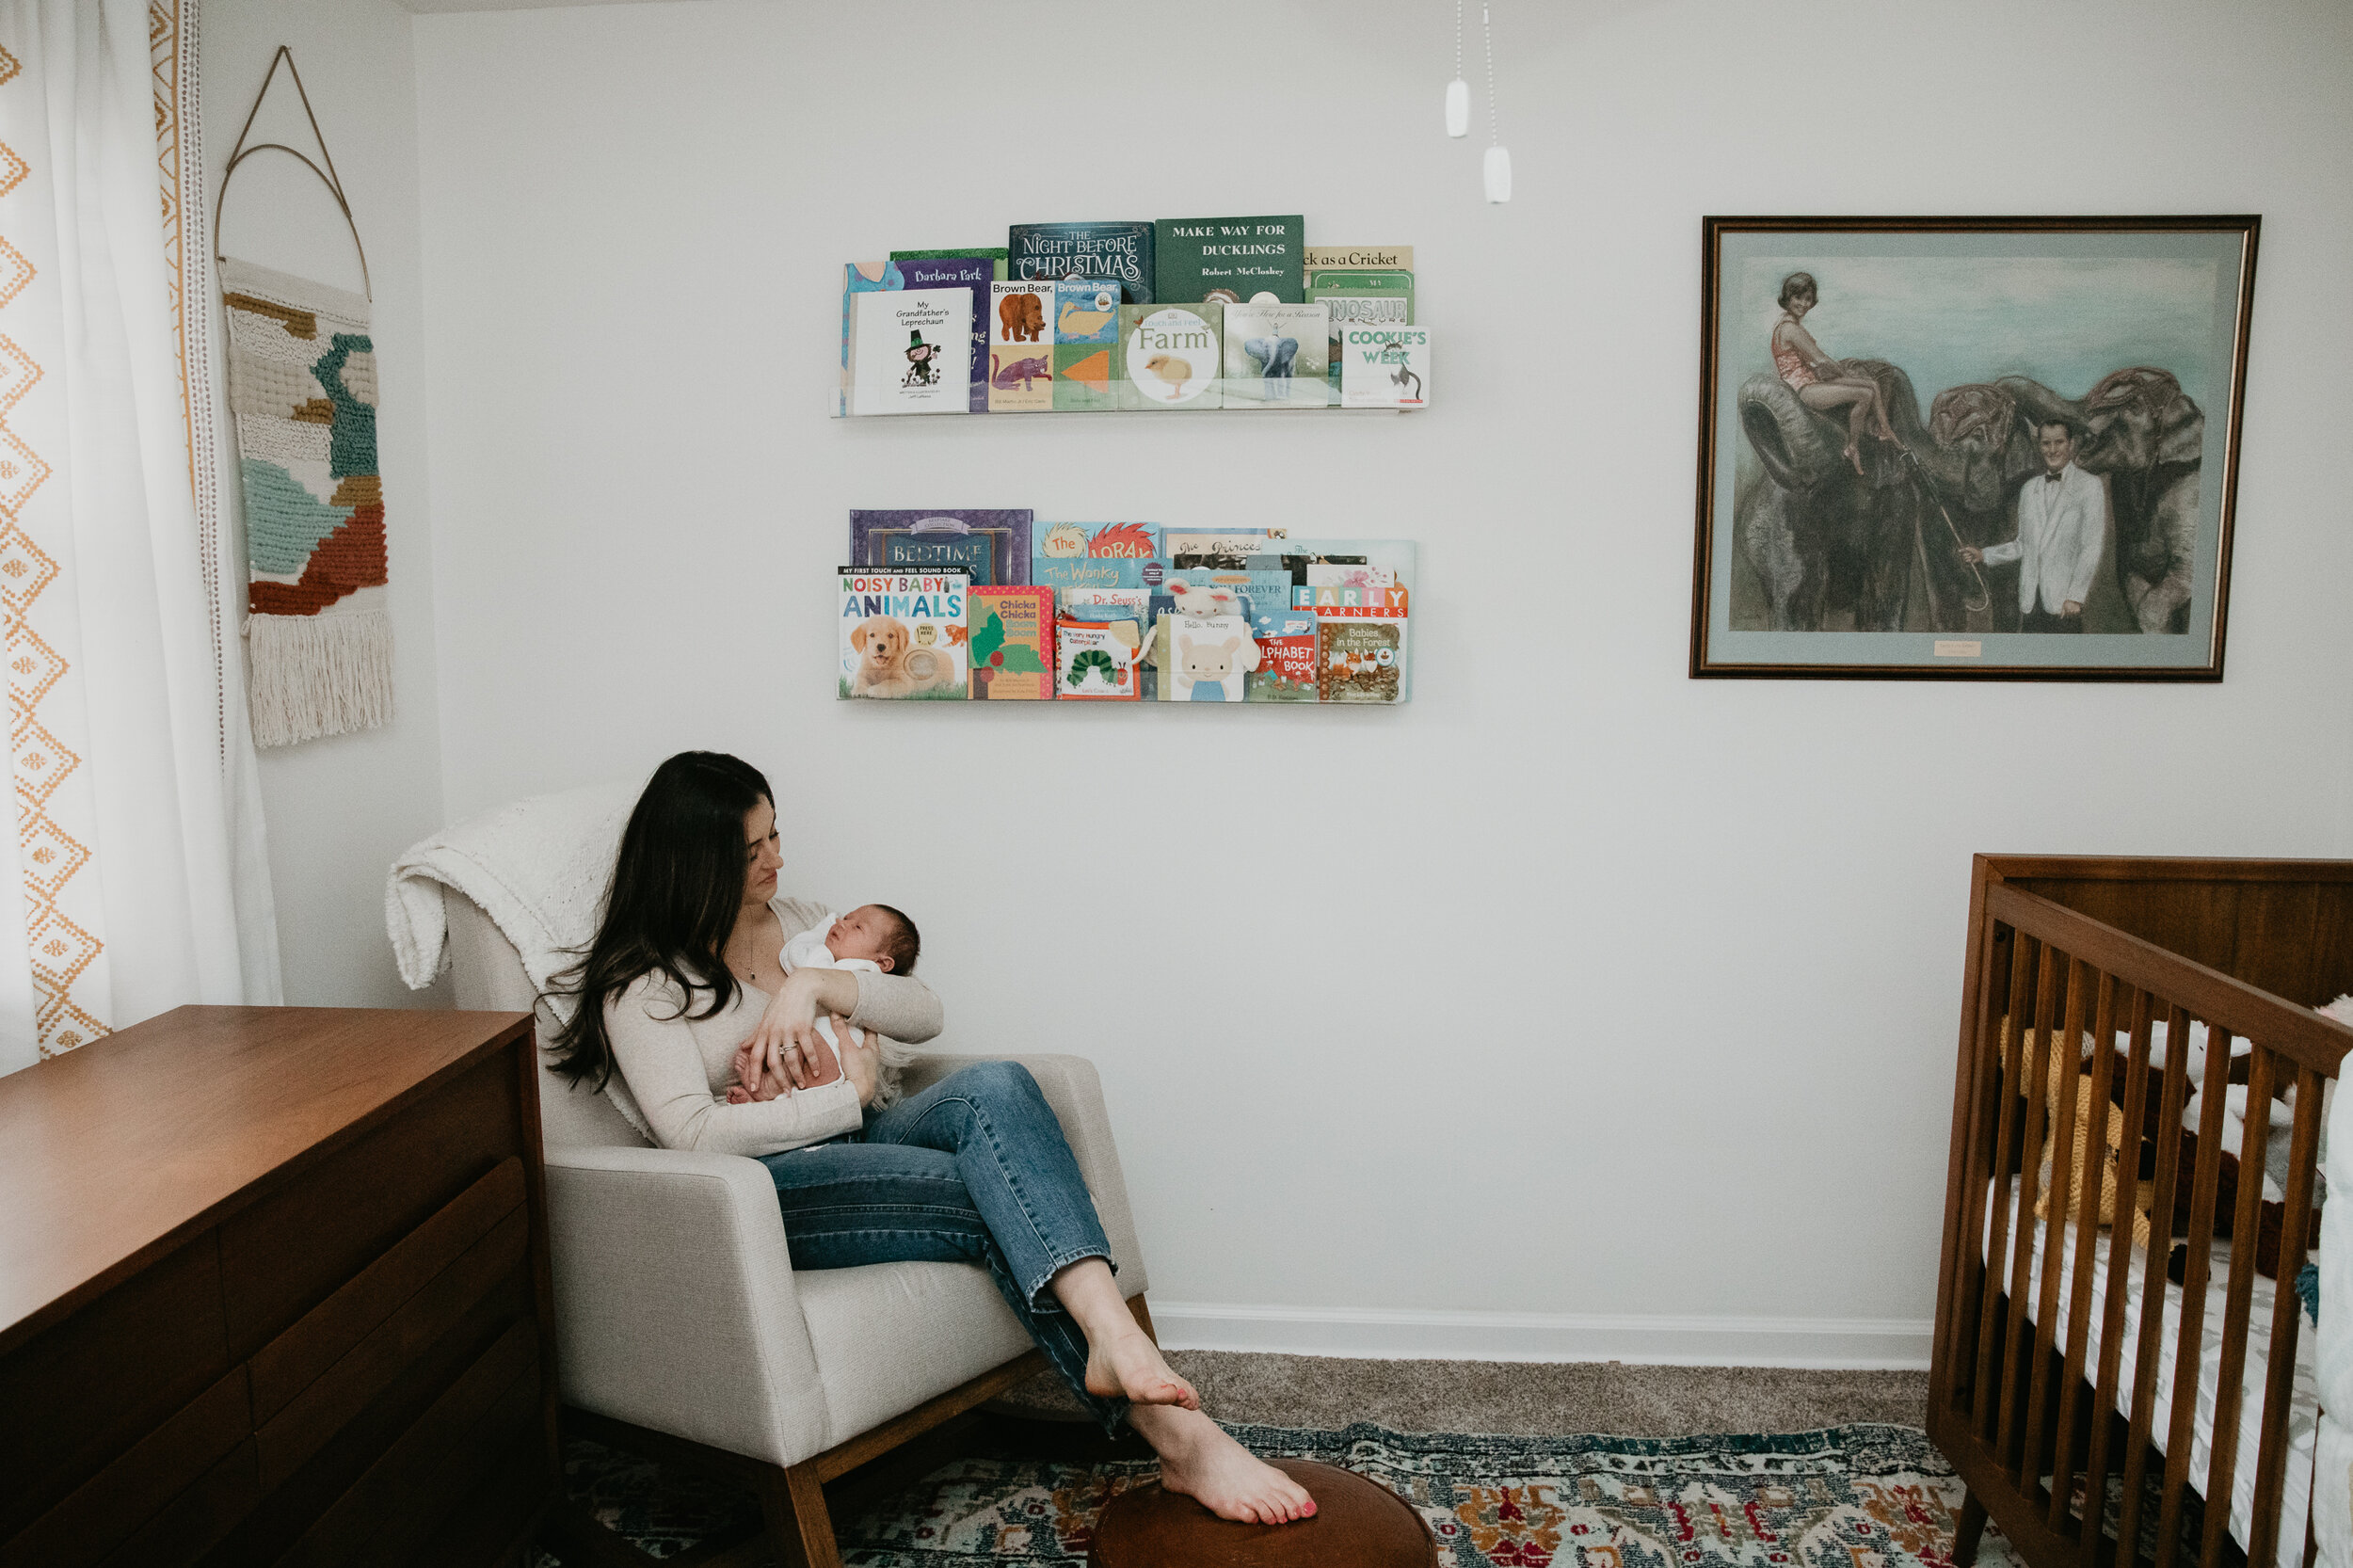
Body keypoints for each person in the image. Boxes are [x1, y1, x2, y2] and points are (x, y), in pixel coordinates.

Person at [549, 751, 1316, 1526]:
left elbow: (923, 1011)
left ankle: (1115, 1338)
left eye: (776, 834)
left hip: (862, 1131)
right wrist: (844, 1098)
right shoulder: (641, 982)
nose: (777, 858)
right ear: (693, 863)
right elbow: (692, 1135)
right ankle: (1182, 1437)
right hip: (765, 1188)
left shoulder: (801, 928)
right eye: (752, 851)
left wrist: (814, 985)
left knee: (1000, 1085)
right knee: (999, 1193)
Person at [725, 904, 916, 1103]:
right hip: (834, 1080)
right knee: (795, 1038)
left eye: (858, 928)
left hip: (845, 1054)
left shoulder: (867, 973)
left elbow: (803, 961)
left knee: (802, 1035)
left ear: (883, 963)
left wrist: (813, 970)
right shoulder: (836, 957)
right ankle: (770, 1094)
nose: (842, 924)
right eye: (847, 917)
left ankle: (770, 1089)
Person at [1959, 420, 2105, 632]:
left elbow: (2090, 548)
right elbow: (2023, 545)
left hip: (2064, 605)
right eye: (2046, 443)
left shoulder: (2090, 486)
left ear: (2071, 444)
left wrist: (2075, 597)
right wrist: (1984, 555)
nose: (2052, 450)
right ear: (2039, 445)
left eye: (2059, 442)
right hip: (2030, 603)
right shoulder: (2029, 489)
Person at [1770, 271, 1897, 475]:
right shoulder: (1789, 328)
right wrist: (1844, 374)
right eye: (1798, 298)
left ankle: (1886, 431)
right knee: (1865, 392)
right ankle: (1853, 448)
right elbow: (1820, 359)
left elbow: (1811, 362)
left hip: (1809, 382)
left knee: (1872, 385)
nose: (1803, 304)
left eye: (1808, 299)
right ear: (1787, 297)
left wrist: (1833, 373)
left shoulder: (1788, 324)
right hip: (1802, 390)